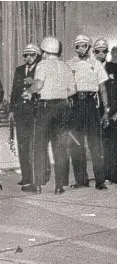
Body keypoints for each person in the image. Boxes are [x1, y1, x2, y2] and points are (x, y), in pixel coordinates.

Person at [22, 36, 76, 194]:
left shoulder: (43, 65)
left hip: (46, 108)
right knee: (59, 147)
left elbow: (38, 85)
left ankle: (37, 185)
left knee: (38, 146)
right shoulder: (65, 66)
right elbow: (72, 90)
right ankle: (59, 186)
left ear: (45, 51)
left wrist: (28, 92)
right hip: (63, 108)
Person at [66, 34, 110, 190]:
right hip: (75, 105)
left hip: (92, 105)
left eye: (84, 45)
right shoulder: (69, 64)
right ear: (75, 48)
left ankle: (100, 181)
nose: (81, 49)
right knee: (76, 144)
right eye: (77, 46)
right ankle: (81, 180)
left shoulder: (96, 64)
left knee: (95, 144)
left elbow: (103, 89)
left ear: (89, 47)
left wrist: (106, 111)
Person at [9, 44, 49, 191]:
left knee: (37, 146)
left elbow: (47, 88)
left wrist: (33, 83)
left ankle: (40, 176)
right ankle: (26, 176)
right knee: (23, 145)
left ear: (37, 55)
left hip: (36, 112)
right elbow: (14, 91)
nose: (28, 58)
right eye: (25, 55)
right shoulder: (19, 70)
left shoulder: (42, 69)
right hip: (21, 113)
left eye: (31, 54)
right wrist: (12, 110)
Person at [93, 38, 117, 184]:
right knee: (98, 144)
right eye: (97, 51)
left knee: (112, 145)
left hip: (113, 112)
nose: (101, 54)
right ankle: (100, 175)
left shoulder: (115, 69)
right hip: (95, 111)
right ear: (93, 52)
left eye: (103, 51)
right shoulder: (90, 68)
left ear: (107, 52)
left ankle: (112, 176)